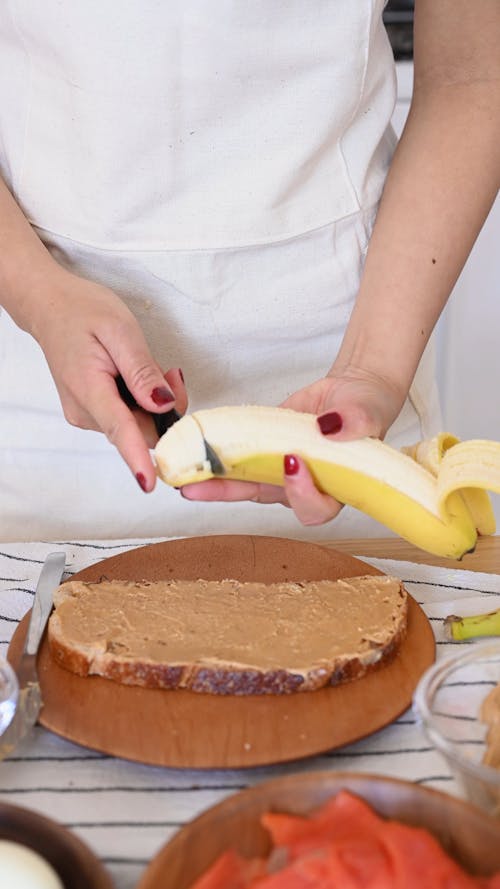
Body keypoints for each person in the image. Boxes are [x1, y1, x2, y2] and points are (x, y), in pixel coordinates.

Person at [0, 1, 498, 542]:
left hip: (358, 358)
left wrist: (373, 369)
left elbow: (470, 76)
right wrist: (38, 297)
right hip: (43, 386)